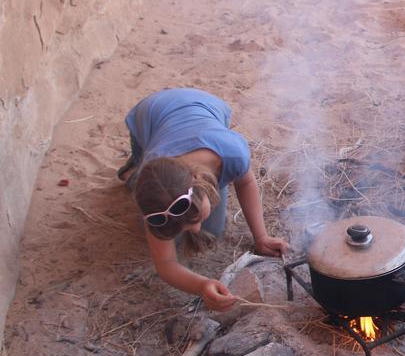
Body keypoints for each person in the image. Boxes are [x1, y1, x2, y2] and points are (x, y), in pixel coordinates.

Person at [119, 88, 287, 311]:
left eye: (195, 218)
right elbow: (165, 263)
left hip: (199, 105)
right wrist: (202, 285)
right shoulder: (153, 179)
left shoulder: (231, 153)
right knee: (172, 233)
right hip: (149, 118)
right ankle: (132, 169)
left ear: (201, 182)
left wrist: (262, 236)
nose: (196, 228)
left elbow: (245, 183)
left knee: (213, 230)